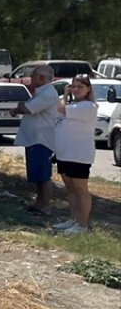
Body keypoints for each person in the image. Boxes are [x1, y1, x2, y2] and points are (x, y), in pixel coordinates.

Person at [53, 74, 97, 235]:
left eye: (80, 87)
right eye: (74, 86)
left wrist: (65, 94)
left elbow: (61, 109)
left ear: (88, 89)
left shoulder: (88, 106)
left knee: (81, 190)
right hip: (65, 153)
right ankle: (73, 219)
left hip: (79, 155)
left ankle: (83, 224)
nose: (76, 90)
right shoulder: (73, 105)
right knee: (70, 189)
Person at [12, 65, 57, 215]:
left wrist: (19, 105)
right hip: (34, 139)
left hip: (42, 139)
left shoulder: (47, 93)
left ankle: (45, 205)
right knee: (37, 174)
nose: (31, 79)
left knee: (44, 175)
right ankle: (39, 203)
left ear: (42, 78)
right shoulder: (40, 92)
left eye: (34, 76)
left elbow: (27, 108)